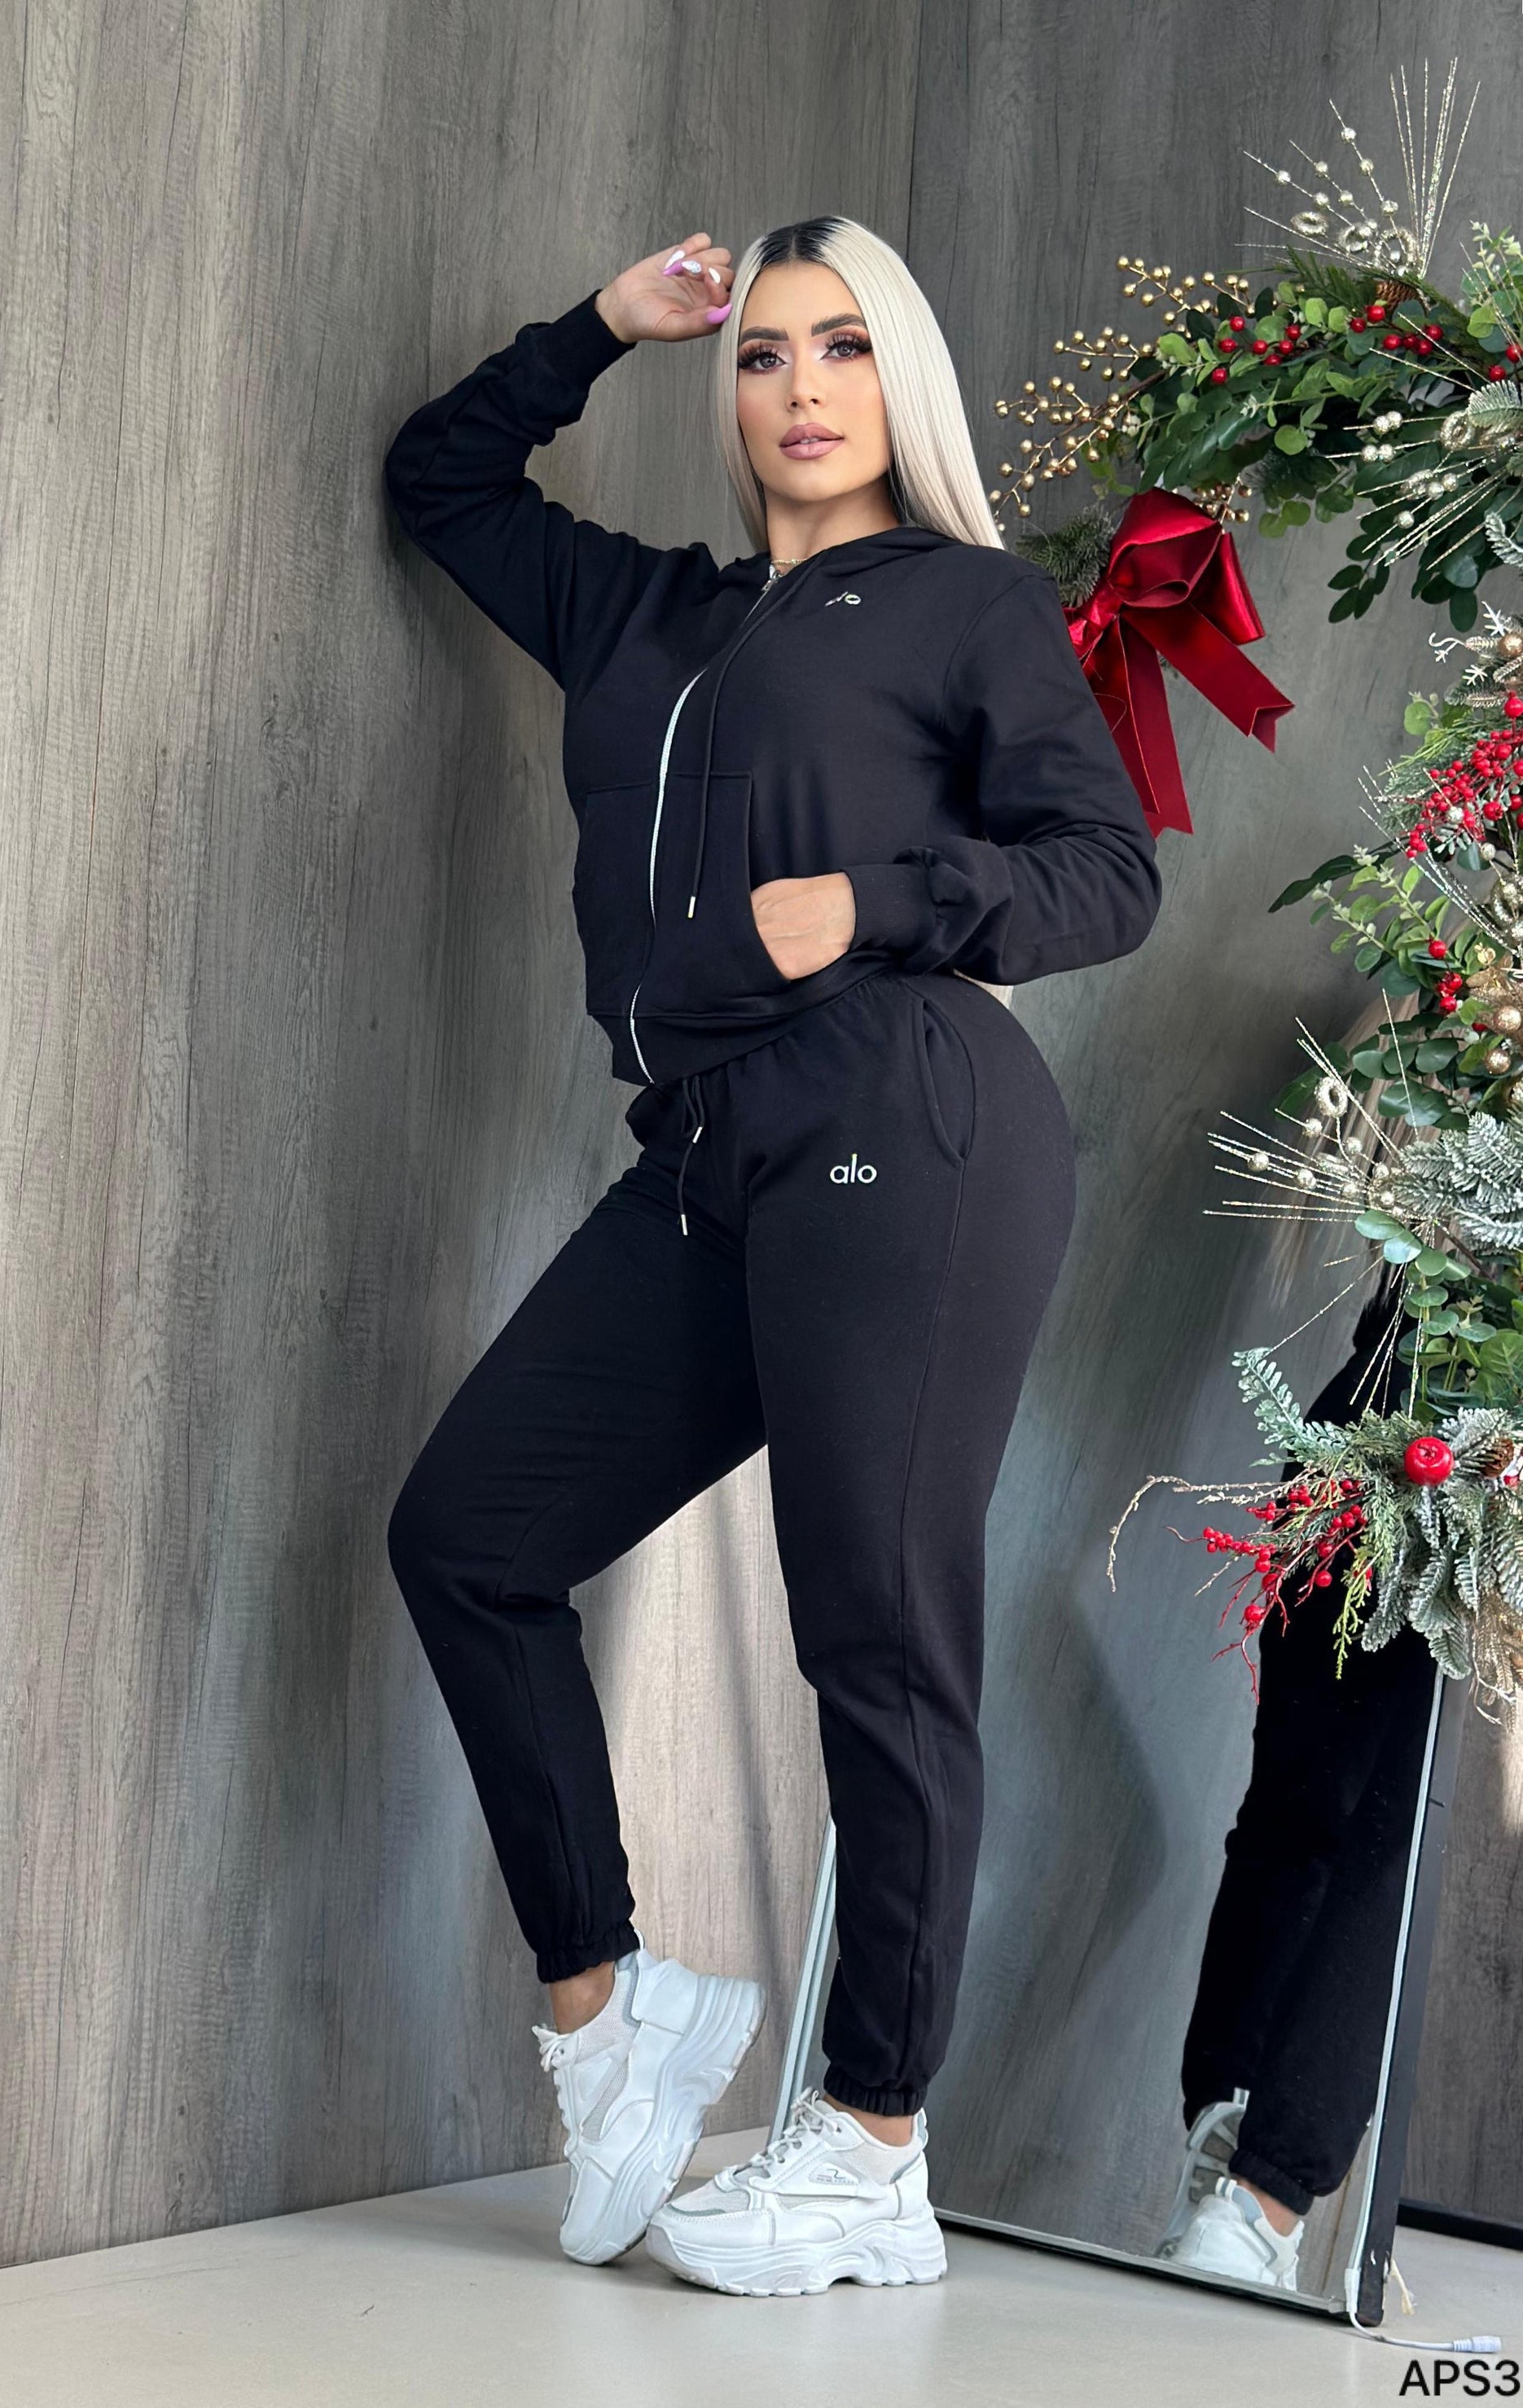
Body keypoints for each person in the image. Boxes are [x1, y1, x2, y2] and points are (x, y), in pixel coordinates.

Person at [381, 215, 1161, 2297]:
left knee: (876, 1635)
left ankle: (873, 2149)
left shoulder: (969, 603)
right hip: (706, 1154)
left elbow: (1106, 874)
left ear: (898, 378)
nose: (802, 388)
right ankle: (613, 2014)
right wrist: (603, 326)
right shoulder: (647, 612)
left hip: (908, 1117)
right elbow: (441, 481)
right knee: (469, 1535)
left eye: (842, 347)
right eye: (763, 354)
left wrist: (874, 901)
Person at [1157, 1265, 1438, 2289]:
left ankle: (1251, 2188)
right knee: (1323, 1811)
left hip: (1439, 1428)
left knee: (1359, 1821)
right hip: (1389, 1401)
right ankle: (1235, 2176)